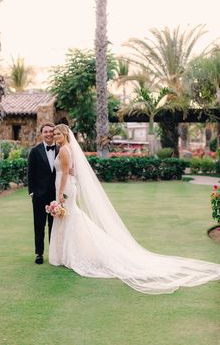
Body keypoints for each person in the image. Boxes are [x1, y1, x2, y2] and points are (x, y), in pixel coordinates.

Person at [49, 124, 220, 294]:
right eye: (54, 134)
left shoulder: (64, 150)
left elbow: (65, 173)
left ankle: (71, 255)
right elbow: (72, 170)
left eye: (58, 134)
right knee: (71, 219)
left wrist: (60, 194)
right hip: (67, 186)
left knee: (71, 219)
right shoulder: (68, 148)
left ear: (65, 134)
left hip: (64, 188)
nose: (55, 136)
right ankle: (67, 254)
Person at [28, 122, 57, 264]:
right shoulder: (35, 151)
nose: (49, 134)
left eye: (51, 131)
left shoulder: (61, 149)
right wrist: (32, 192)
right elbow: (30, 173)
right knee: (39, 225)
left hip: (56, 195)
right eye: (46, 132)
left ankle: (54, 253)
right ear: (42, 134)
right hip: (39, 195)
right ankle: (39, 253)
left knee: (55, 226)